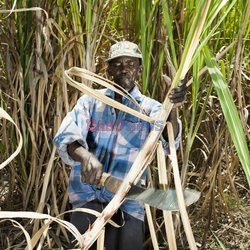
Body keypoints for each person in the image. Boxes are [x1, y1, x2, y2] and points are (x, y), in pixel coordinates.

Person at [54, 41, 186, 250]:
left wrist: (172, 108)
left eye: (130, 64)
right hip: (86, 196)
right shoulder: (90, 101)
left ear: (139, 69)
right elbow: (65, 136)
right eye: (117, 64)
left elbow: (170, 144)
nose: (124, 69)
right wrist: (84, 156)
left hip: (128, 201)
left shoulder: (151, 109)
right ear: (109, 69)